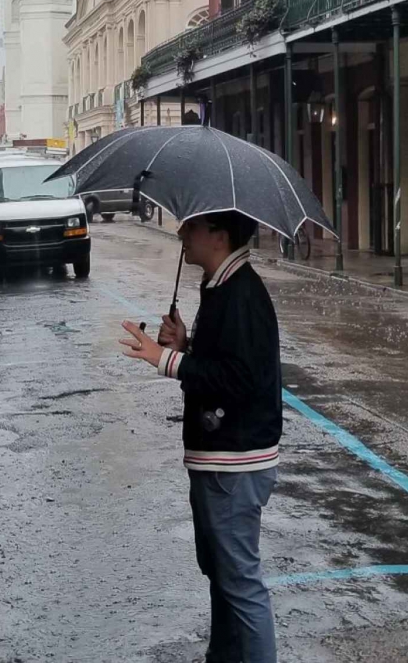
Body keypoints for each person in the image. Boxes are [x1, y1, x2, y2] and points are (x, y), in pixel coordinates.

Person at [119, 211, 281, 663]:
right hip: (218, 457)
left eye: (190, 226)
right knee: (222, 575)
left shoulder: (241, 293)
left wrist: (164, 360)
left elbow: (240, 379)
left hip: (235, 462)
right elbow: (227, 365)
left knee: (240, 583)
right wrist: (186, 346)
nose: (180, 233)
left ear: (219, 235)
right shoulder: (221, 288)